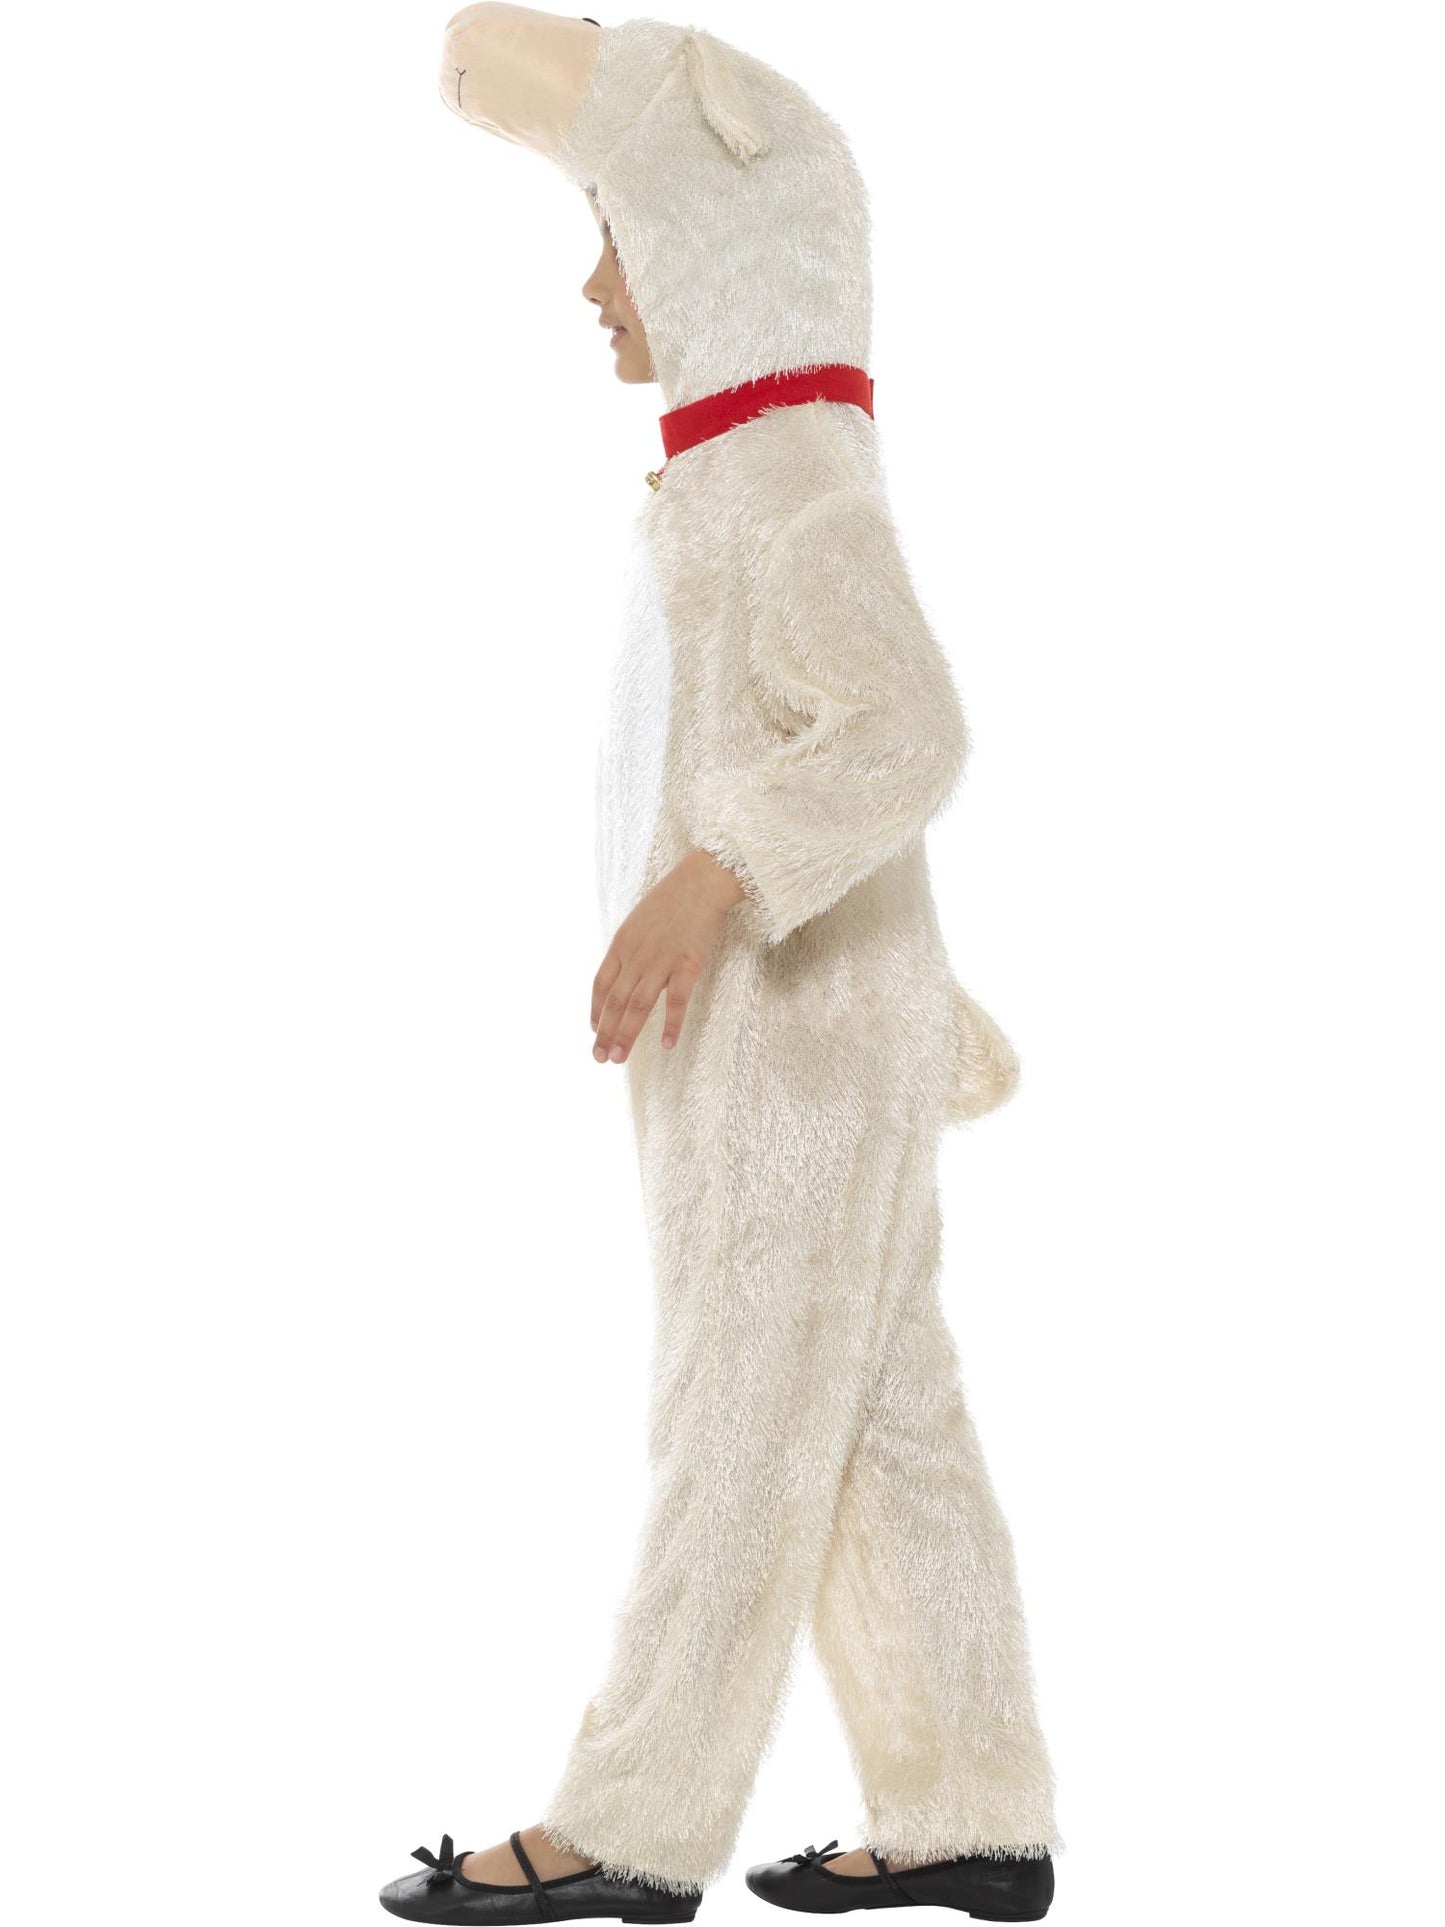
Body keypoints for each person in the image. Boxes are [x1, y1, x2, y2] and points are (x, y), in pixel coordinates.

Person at [379, 9, 1062, 1921]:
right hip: (806, 1033)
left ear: (709, 251)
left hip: (788, 1049)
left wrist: (708, 881)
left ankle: (630, 1823)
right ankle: (973, 1807)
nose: (593, 291)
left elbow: (903, 725)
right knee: (874, 1424)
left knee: (737, 1423)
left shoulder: (783, 476)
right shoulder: (735, 471)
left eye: (617, 242)